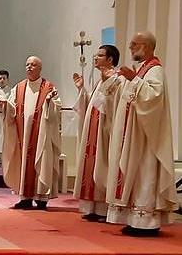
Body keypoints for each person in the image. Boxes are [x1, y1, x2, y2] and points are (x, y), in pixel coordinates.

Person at [104, 32, 178, 237]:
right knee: (133, 176)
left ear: (146, 46)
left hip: (146, 138)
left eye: (134, 44)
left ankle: (146, 222)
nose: (130, 47)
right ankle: (133, 219)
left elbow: (153, 96)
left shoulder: (154, 70)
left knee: (145, 176)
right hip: (132, 135)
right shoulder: (141, 70)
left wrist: (133, 79)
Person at [1, 56, 61, 210]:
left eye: (33, 65)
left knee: (42, 161)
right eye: (27, 65)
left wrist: (49, 103)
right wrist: (6, 105)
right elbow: (12, 106)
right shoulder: (19, 87)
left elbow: (56, 109)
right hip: (22, 136)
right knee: (23, 162)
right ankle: (25, 198)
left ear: (40, 69)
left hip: (42, 135)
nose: (29, 67)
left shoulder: (48, 87)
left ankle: (41, 198)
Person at [72, 45, 121, 221]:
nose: (96, 58)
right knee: (92, 165)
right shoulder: (100, 79)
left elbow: (114, 106)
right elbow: (92, 105)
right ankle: (92, 207)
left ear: (110, 60)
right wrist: (81, 91)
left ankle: (104, 209)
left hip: (105, 131)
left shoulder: (117, 80)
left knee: (103, 166)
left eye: (100, 55)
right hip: (93, 129)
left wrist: (107, 85)